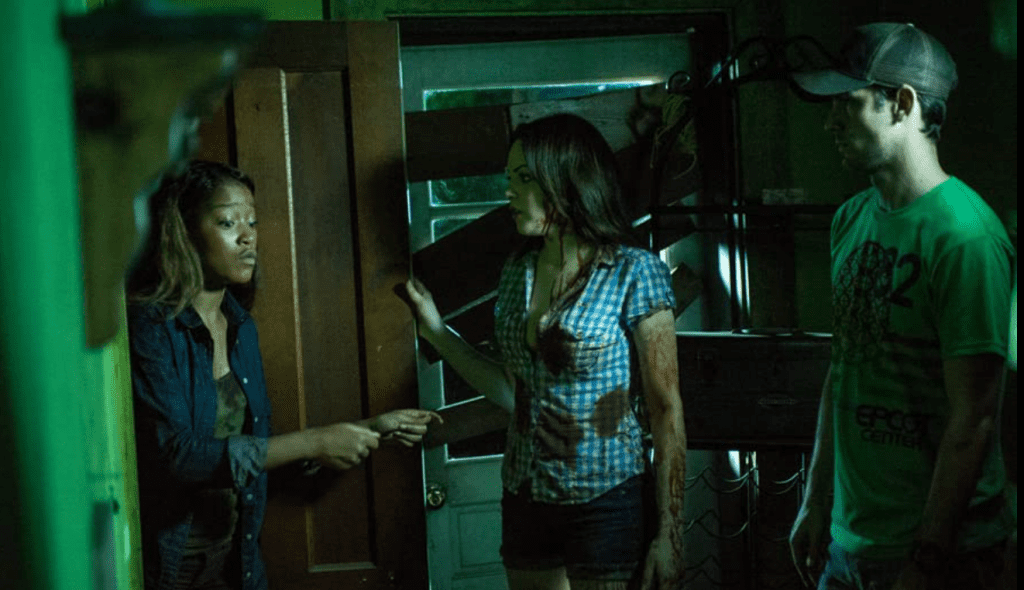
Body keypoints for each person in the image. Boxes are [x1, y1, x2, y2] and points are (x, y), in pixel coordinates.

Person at [404, 114, 687, 590]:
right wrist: (437, 332)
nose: (509, 192)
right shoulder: (518, 270)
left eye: (524, 178)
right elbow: (514, 391)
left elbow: (666, 406)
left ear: (566, 181)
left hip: (607, 500)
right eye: (509, 178)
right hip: (525, 496)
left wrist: (671, 532)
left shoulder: (634, 272)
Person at [127, 160, 440, 590]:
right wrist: (314, 441)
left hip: (238, 565)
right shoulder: (152, 326)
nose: (247, 236)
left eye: (252, 222)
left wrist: (367, 430)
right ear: (183, 230)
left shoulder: (240, 327)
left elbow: (259, 458)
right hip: (169, 570)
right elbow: (178, 457)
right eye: (227, 222)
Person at [787, 23, 1015, 590]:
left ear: (903, 104)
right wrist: (816, 500)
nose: (830, 121)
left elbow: (974, 417)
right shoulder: (850, 220)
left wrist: (927, 560)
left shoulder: (965, 236)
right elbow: (845, 367)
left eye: (848, 102)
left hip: (945, 555)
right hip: (850, 543)